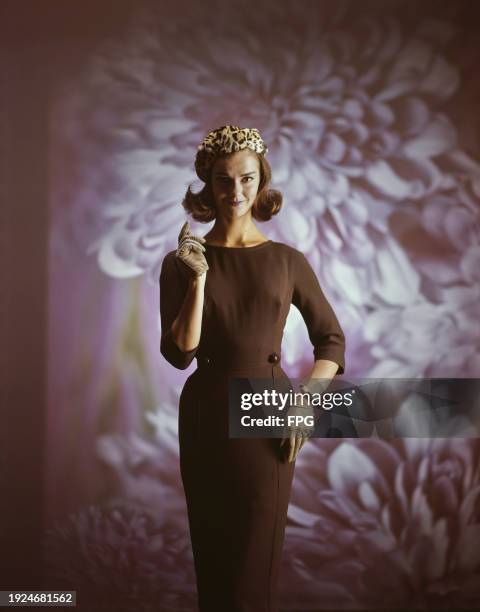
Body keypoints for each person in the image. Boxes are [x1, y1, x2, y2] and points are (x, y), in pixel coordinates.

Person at [159, 125, 345, 612]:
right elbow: (180, 355)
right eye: (223, 181)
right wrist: (198, 280)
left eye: (246, 179)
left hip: (266, 412)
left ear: (261, 180)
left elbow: (332, 340)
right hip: (204, 415)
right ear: (208, 185)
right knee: (214, 568)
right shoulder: (180, 264)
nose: (235, 192)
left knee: (251, 572)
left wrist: (306, 401)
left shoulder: (287, 261)